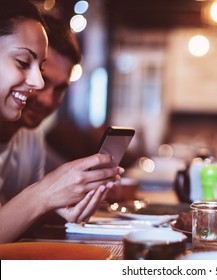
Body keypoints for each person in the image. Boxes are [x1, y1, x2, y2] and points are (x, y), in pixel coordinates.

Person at [0, 0, 122, 243]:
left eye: (40, 67)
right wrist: (42, 196)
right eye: (23, 63)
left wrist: (56, 207)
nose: (39, 84)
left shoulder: (30, 136)